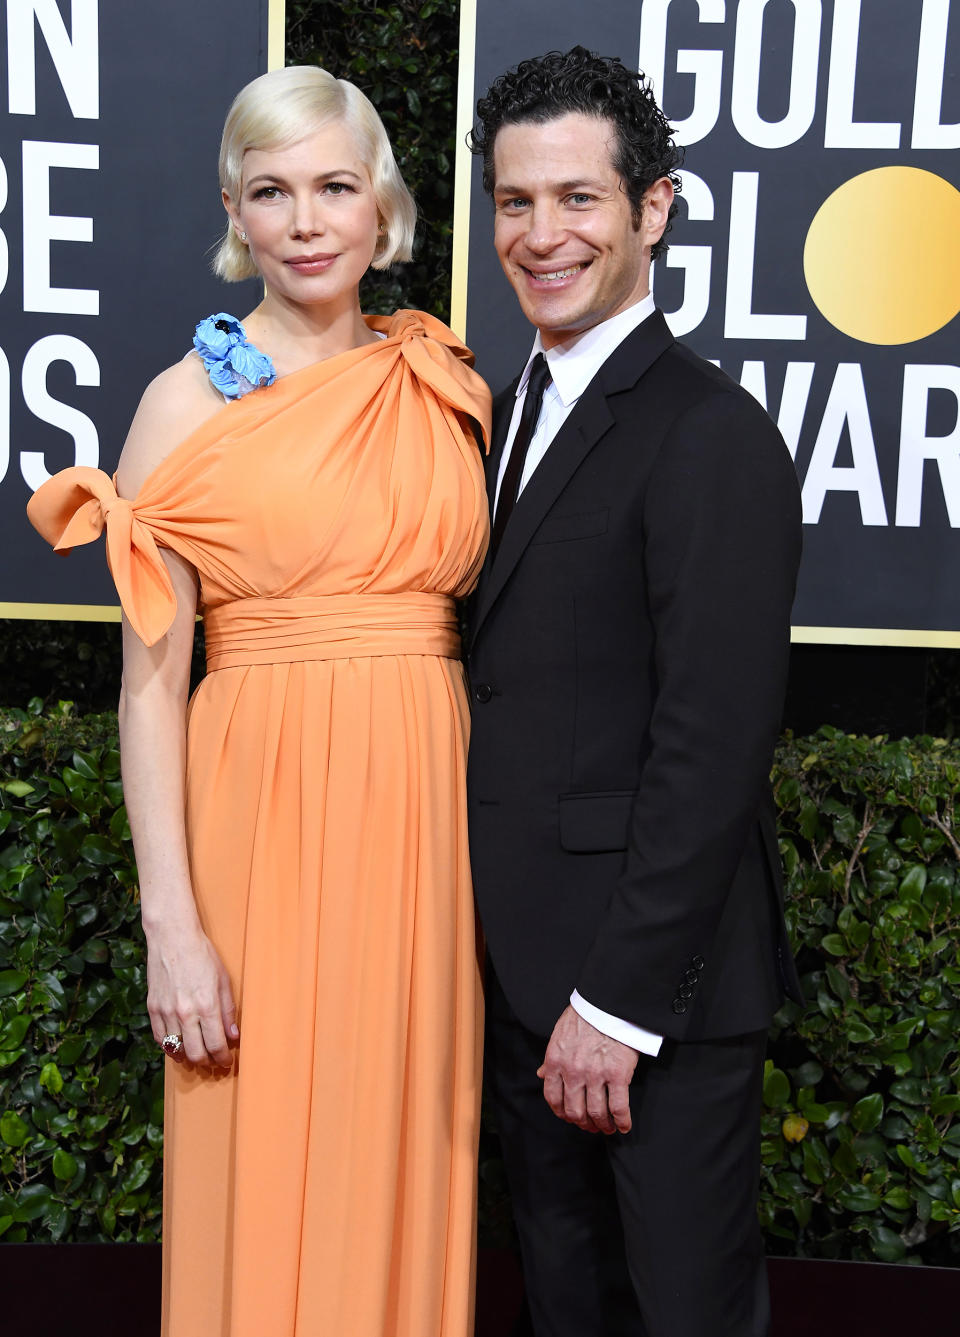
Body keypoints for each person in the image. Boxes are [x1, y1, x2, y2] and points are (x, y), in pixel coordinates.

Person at [27, 65, 490, 1337]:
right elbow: (148, 688)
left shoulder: (443, 382)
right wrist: (170, 921)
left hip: (422, 840)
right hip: (261, 832)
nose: (305, 219)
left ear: (383, 205)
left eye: (335, 186)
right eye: (272, 190)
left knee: (400, 1152)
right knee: (266, 1146)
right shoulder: (179, 409)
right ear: (236, 208)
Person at [466, 47, 803, 1337]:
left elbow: (713, 741)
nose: (541, 235)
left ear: (652, 208)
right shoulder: (499, 415)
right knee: (569, 1310)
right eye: (514, 202)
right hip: (520, 988)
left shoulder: (710, 430)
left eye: (578, 200)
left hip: (645, 1005)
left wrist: (613, 1007)